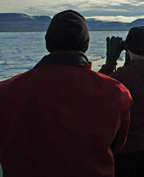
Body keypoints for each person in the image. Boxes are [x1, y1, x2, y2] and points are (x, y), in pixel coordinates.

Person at [0, 10, 133, 177]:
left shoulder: (6, 91)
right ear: (85, 45)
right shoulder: (116, 92)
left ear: (48, 43)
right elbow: (118, 143)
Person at [99, 26, 144, 177]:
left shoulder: (125, 75)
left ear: (129, 46)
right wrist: (130, 59)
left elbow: (99, 88)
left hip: (126, 147)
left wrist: (110, 61)